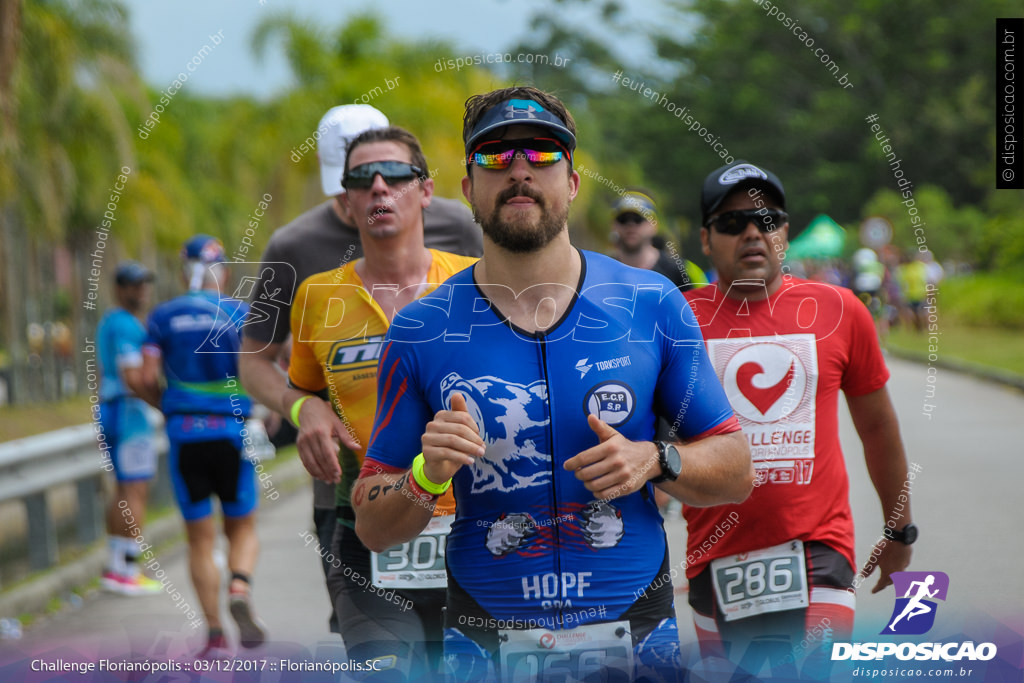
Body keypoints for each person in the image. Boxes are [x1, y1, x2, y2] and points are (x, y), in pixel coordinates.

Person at [353, 86, 753, 682]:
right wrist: (425, 475)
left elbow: (737, 471)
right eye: (493, 156)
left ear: (572, 182)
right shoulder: (422, 328)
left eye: (542, 154)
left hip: (637, 628)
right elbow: (371, 527)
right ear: (468, 190)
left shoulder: (651, 303)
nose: (518, 170)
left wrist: (656, 458)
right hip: (484, 638)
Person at [237, 104, 483, 635]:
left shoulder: (466, 246)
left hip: (473, 511)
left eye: (395, 174)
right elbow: (255, 360)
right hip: (353, 498)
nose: (378, 188)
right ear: (340, 188)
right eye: (357, 179)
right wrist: (304, 407)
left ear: (424, 189)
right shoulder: (295, 251)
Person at [682, 160, 915, 677]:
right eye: (731, 222)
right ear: (705, 238)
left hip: (819, 548)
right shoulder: (676, 320)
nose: (751, 233)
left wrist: (899, 531)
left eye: (767, 220)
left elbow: (877, 428)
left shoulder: (840, 310)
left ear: (785, 231)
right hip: (715, 557)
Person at [139, 236, 267, 658]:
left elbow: (144, 378)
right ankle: (239, 585)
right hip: (233, 433)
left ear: (183, 271)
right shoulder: (240, 314)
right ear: (224, 271)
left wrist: (171, 406)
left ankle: (213, 631)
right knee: (243, 526)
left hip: (186, 434)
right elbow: (261, 371)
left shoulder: (162, 317)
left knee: (199, 539)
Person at [96, 261, 162, 596]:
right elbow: (133, 377)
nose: (142, 291)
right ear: (120, 289)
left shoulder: (113, 321)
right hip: (127, 412)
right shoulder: (124, 325)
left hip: (113, 409)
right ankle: (130, 570)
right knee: (135, 490)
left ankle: (116, 567)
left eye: (144, 284)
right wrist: (164, 405)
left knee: (122, 489)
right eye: (135, 285)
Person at [610, 189, 706, 292]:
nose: (631, 225)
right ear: (614, 225)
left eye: (638, 219)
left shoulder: (683, 271)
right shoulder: (601, 270)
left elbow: (709, 303)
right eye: (623, 219)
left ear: (654, 225)